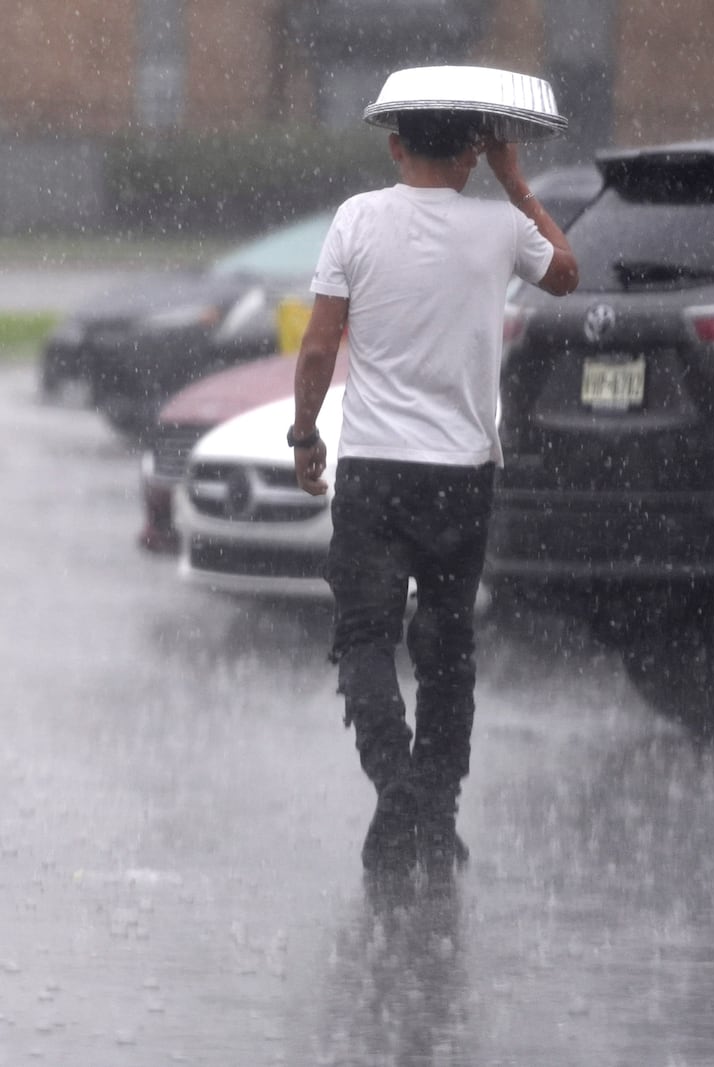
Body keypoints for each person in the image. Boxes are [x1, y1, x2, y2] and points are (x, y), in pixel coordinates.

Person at [288, 110, 578, 877]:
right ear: (474, 151)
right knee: (447, 648)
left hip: (375, 469)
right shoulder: (500, 227)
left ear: (395, 145)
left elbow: (320, 345)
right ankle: (435, 810)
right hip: (462, 473)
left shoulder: (356, 219)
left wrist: (304, 432)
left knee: (364, 638)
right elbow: (567, 273)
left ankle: (398, 792)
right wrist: (516, 183)